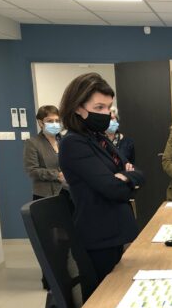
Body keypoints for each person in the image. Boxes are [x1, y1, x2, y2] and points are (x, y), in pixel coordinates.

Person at [58, 73, 144, 282]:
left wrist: (125, 176)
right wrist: (125, 178)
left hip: (116, 234)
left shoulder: (98, 139)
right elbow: (112, 188)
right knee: (104, 300)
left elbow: (139, 173)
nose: (106, 113)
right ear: (78, 107)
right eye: (99, 108)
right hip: (99, 238)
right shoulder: (74, 143)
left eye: (108, 107)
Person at [23, 105, 65, 200]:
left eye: (57, 121)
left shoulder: (66, 140)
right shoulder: (32, 143)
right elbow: (32, 170)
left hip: (69, 191)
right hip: (46, 194)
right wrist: (57, 175)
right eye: (50, 121)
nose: (54, 124)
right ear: (40, 123)